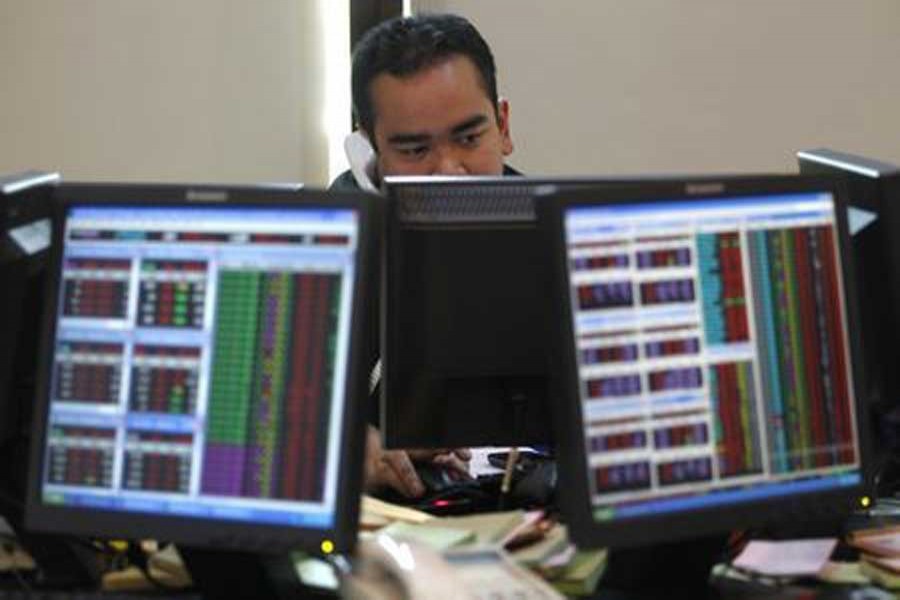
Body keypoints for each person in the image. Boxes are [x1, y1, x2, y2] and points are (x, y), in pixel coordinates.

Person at [331, 12, 519, 498]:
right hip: (394, 530)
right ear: (370, 153)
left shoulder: (567, 240)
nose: (450, 173)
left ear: (502, 125)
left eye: (468, 137)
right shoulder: (334, 250)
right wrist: (348, 448)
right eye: (414, 149)